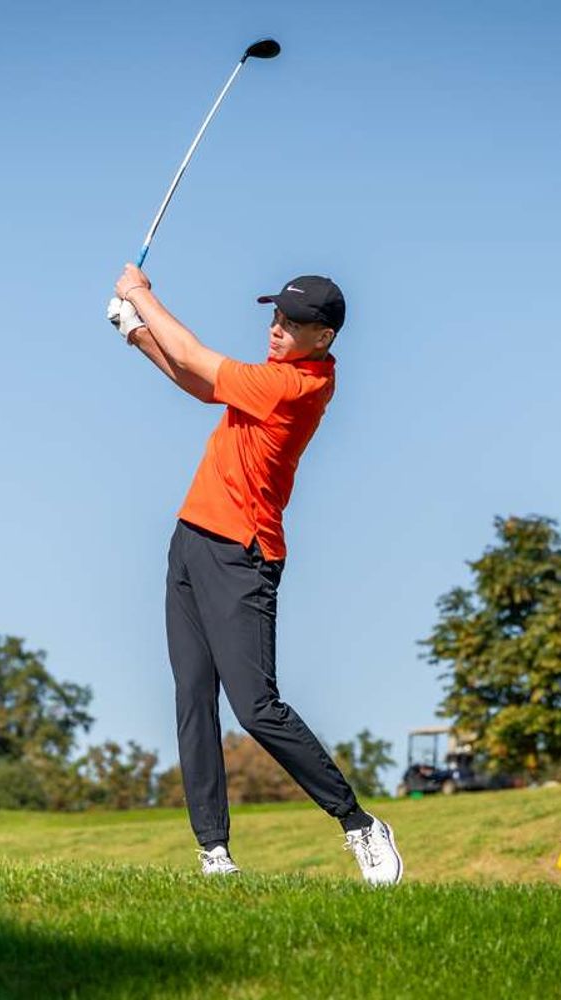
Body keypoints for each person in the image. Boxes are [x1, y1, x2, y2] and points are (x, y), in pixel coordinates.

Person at [106, 264, 402, 886]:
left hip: (243, 555)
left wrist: (141, 297)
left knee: (256, 707)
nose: (276, 329)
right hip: (191, 539)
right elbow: (197, 384)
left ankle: (359, 824)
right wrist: (136, 335)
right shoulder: (270, 376)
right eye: (275, 316)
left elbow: (195, 356)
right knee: (193, 697)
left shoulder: (295, 385)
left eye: (291, 324)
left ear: (322, 337)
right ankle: (214, 851)